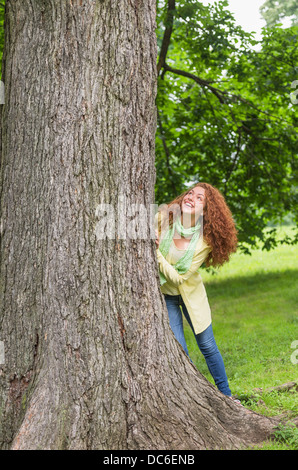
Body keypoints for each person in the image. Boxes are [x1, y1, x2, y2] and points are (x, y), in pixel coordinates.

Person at [155, 182, 238, 399]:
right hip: (166, 297)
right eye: (190, 193)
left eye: (200, 198)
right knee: (180, 351)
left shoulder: (204, 241)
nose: (191, 197)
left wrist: (155, 252)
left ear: (206, 210)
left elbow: (180, 278)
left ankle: (227, 397)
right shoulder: (165, 219)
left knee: (208, 346)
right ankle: (200, 396)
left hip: (191, 296)